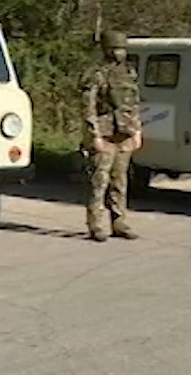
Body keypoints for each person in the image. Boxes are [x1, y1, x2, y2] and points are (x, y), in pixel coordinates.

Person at [81, 30, 145, 241]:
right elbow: (88, 107)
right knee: (100, 181)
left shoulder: (128, 73)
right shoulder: (96, 74)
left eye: (122, 49)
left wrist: (136, 130)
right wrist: (95, 136)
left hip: (124, 133)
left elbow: (134, 104)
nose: (120, 53)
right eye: (116, 49)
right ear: (107, 50)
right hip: (105, 134)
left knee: (120, 181)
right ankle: (96, 224)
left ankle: (119, 221)